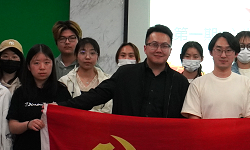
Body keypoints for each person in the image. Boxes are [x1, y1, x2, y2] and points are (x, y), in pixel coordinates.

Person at [60, 25, 189, 118]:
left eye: (164, 46)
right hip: (126, 142)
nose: (159, 50)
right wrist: (59, 107)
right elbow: (96, 96)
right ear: (145, 48)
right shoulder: (125, 74)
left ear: (170, 50)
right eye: (154, 44)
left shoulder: (180, 82)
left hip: (162, 144)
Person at [7, 44, 72, 150]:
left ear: (52, 65)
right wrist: (28, 124)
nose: (42, 67)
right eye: (36, 63)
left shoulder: (61, 91)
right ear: (28, 67)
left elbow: (70, 124)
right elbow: (12, 126)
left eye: (47, 62)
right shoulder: (20, 93)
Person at [182, 32, 250, 119]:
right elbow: (194, 121)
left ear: (236, 54)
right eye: (218, 50)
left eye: (228, 50)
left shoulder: (247, 84)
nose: (223, 55)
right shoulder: (197, 84)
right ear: (211, 52)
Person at [59, 38, 113, 113]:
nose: (87, 57)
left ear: (97, 56)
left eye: (92, 53)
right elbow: (62, 110)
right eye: (83, 52)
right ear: (76, 56)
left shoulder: (108, 80)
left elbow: (109, 110)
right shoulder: (64, 81)